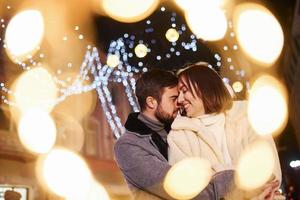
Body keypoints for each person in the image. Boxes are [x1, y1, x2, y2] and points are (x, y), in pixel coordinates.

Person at [114, 69, 237, 200]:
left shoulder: (181, 128)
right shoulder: (128, 145)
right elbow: (177, 186)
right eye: (173, 98)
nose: (179, 101)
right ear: (151, 102)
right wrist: (237, 180)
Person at [167, 63, 283, 199]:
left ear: (204, 87)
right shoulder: (179, 136)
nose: (180, 99)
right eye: (178, 93)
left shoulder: (247, 116)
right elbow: (186, 189)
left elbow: (269, 172)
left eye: (184, 91)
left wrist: (216, 175)